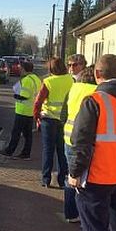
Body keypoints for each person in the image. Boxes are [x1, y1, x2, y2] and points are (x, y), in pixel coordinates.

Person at [68, 54, 116, 231]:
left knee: (96, 230)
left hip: (97, 177)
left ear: (97, 74)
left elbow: (82, 142)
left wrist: (74, 173)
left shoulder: (95, 101)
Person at [61, 65, 97, 223]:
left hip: (69, 138)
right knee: (86, 181)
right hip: (89, 141)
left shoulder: (73, 89)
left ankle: (70, 213)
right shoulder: (97, 93)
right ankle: (85, 217)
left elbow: (63, 114)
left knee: (71, 176)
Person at [34, 57, 74, 188]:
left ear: (51, 69)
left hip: (48, 119)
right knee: (62, 151)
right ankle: (62, 180)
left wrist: (37, 117)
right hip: (65, 120)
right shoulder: (71, 80)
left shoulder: (48, 81)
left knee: (48, 150)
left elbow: (38, 102)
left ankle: (46, 179)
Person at [0, 61, 41, 160]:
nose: (20, 70)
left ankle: (9, 151)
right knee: (27, 134)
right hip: (31, 110)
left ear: (24, 69)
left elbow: (24, 95)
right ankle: (26, 153)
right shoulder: (36, 79)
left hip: (23, 110)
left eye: (20, 68)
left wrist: (16, 95)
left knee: (16, 132)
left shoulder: (26, 80)